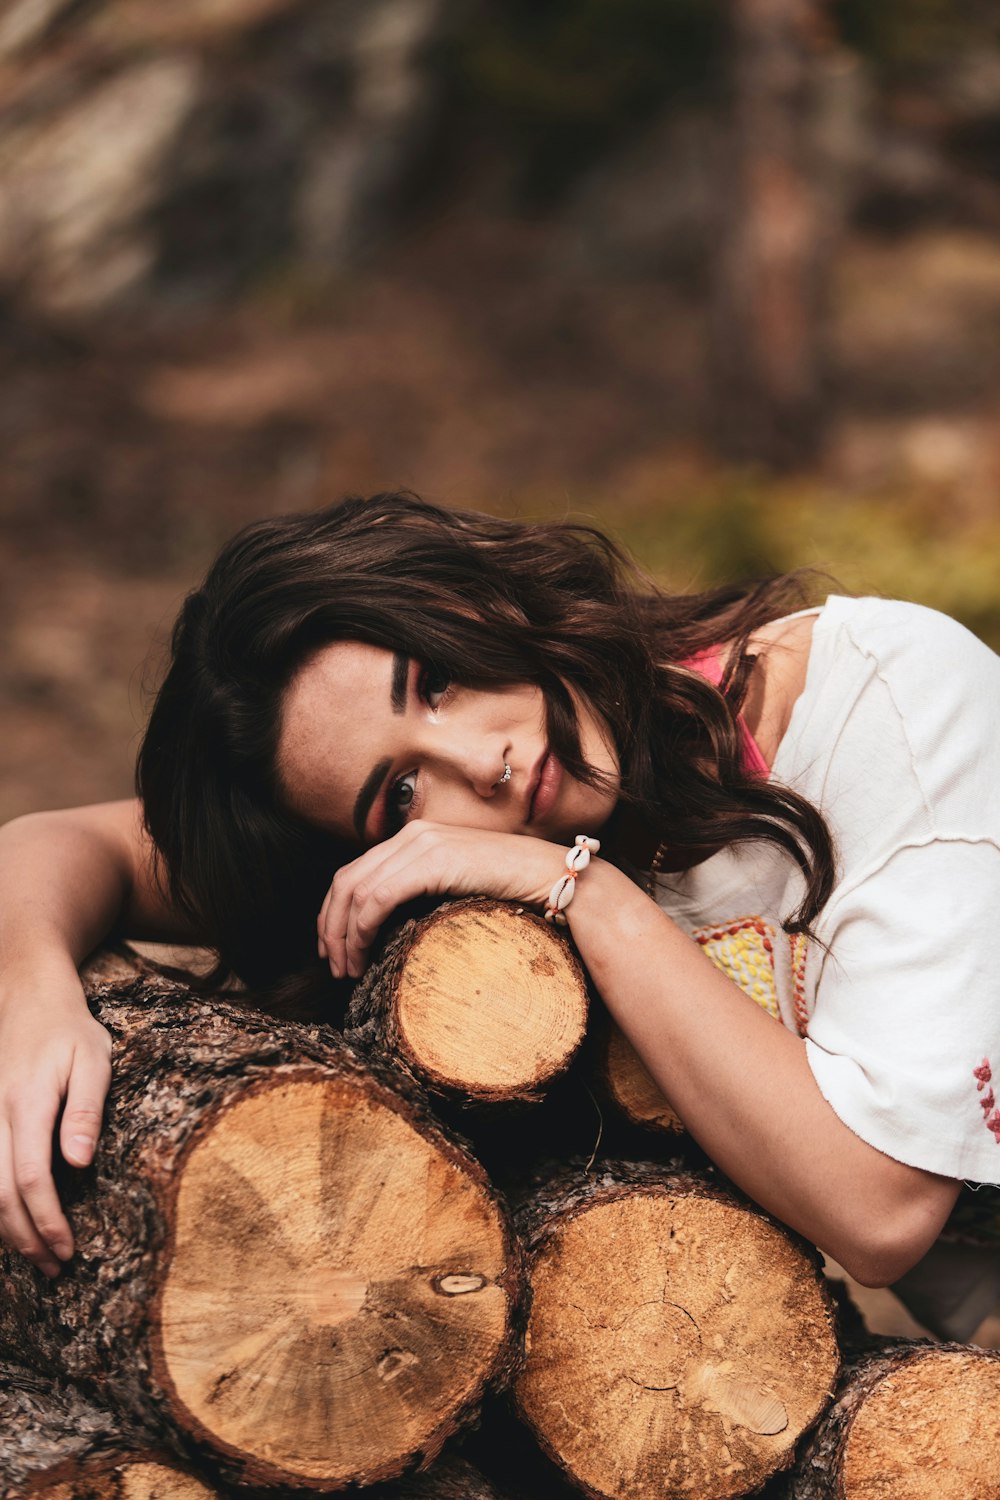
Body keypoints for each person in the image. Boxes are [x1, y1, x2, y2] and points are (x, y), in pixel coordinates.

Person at [0, 492, 998, 1339]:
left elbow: (879, 1211)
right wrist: (32, 990)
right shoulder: (452, 850)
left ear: (471, 602)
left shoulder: (889, 707)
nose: (483, 763)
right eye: (397, 793)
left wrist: (586, 892)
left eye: (436, 682)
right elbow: (57, 846)